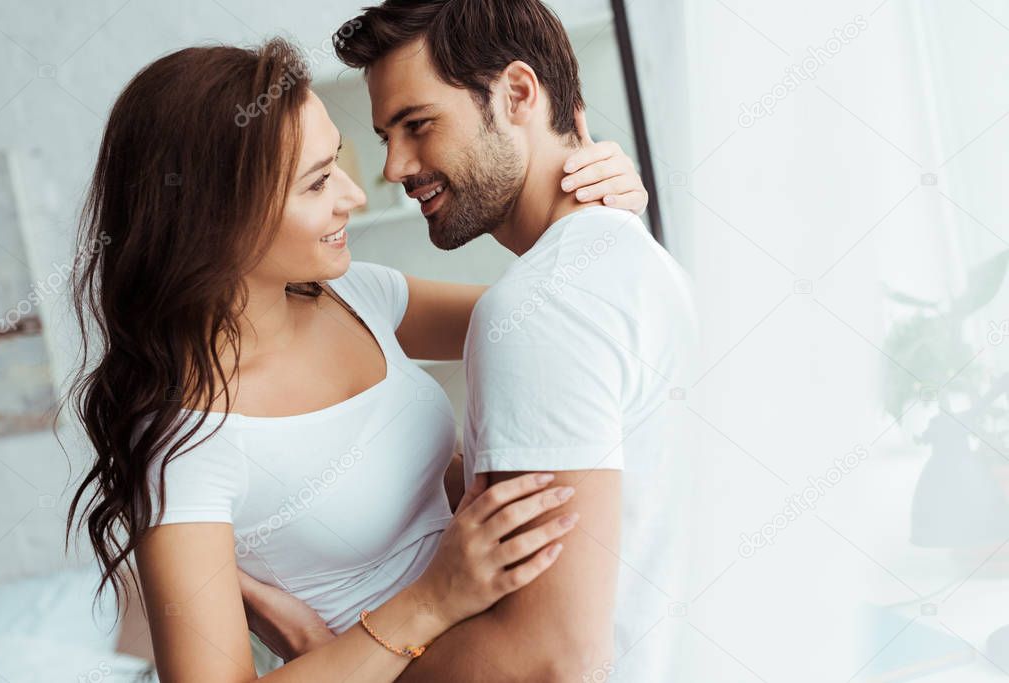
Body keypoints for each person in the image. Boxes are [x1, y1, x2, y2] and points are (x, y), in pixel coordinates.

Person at [64, 31, 651, 682]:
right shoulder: (185, 442)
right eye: (317, 183)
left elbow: (558, 318)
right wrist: (430, 600)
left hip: (528, 639)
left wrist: (600, 208)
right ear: (217, 217)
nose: (357, 195)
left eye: (338, 163)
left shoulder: (356, 296)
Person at [241, 1, 699, 680]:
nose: (392, 167)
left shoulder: (540, 309)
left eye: (417, 125)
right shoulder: (630, 256)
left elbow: (548, 659)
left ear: (516, 94)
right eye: (384, 135)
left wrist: (327, 659)